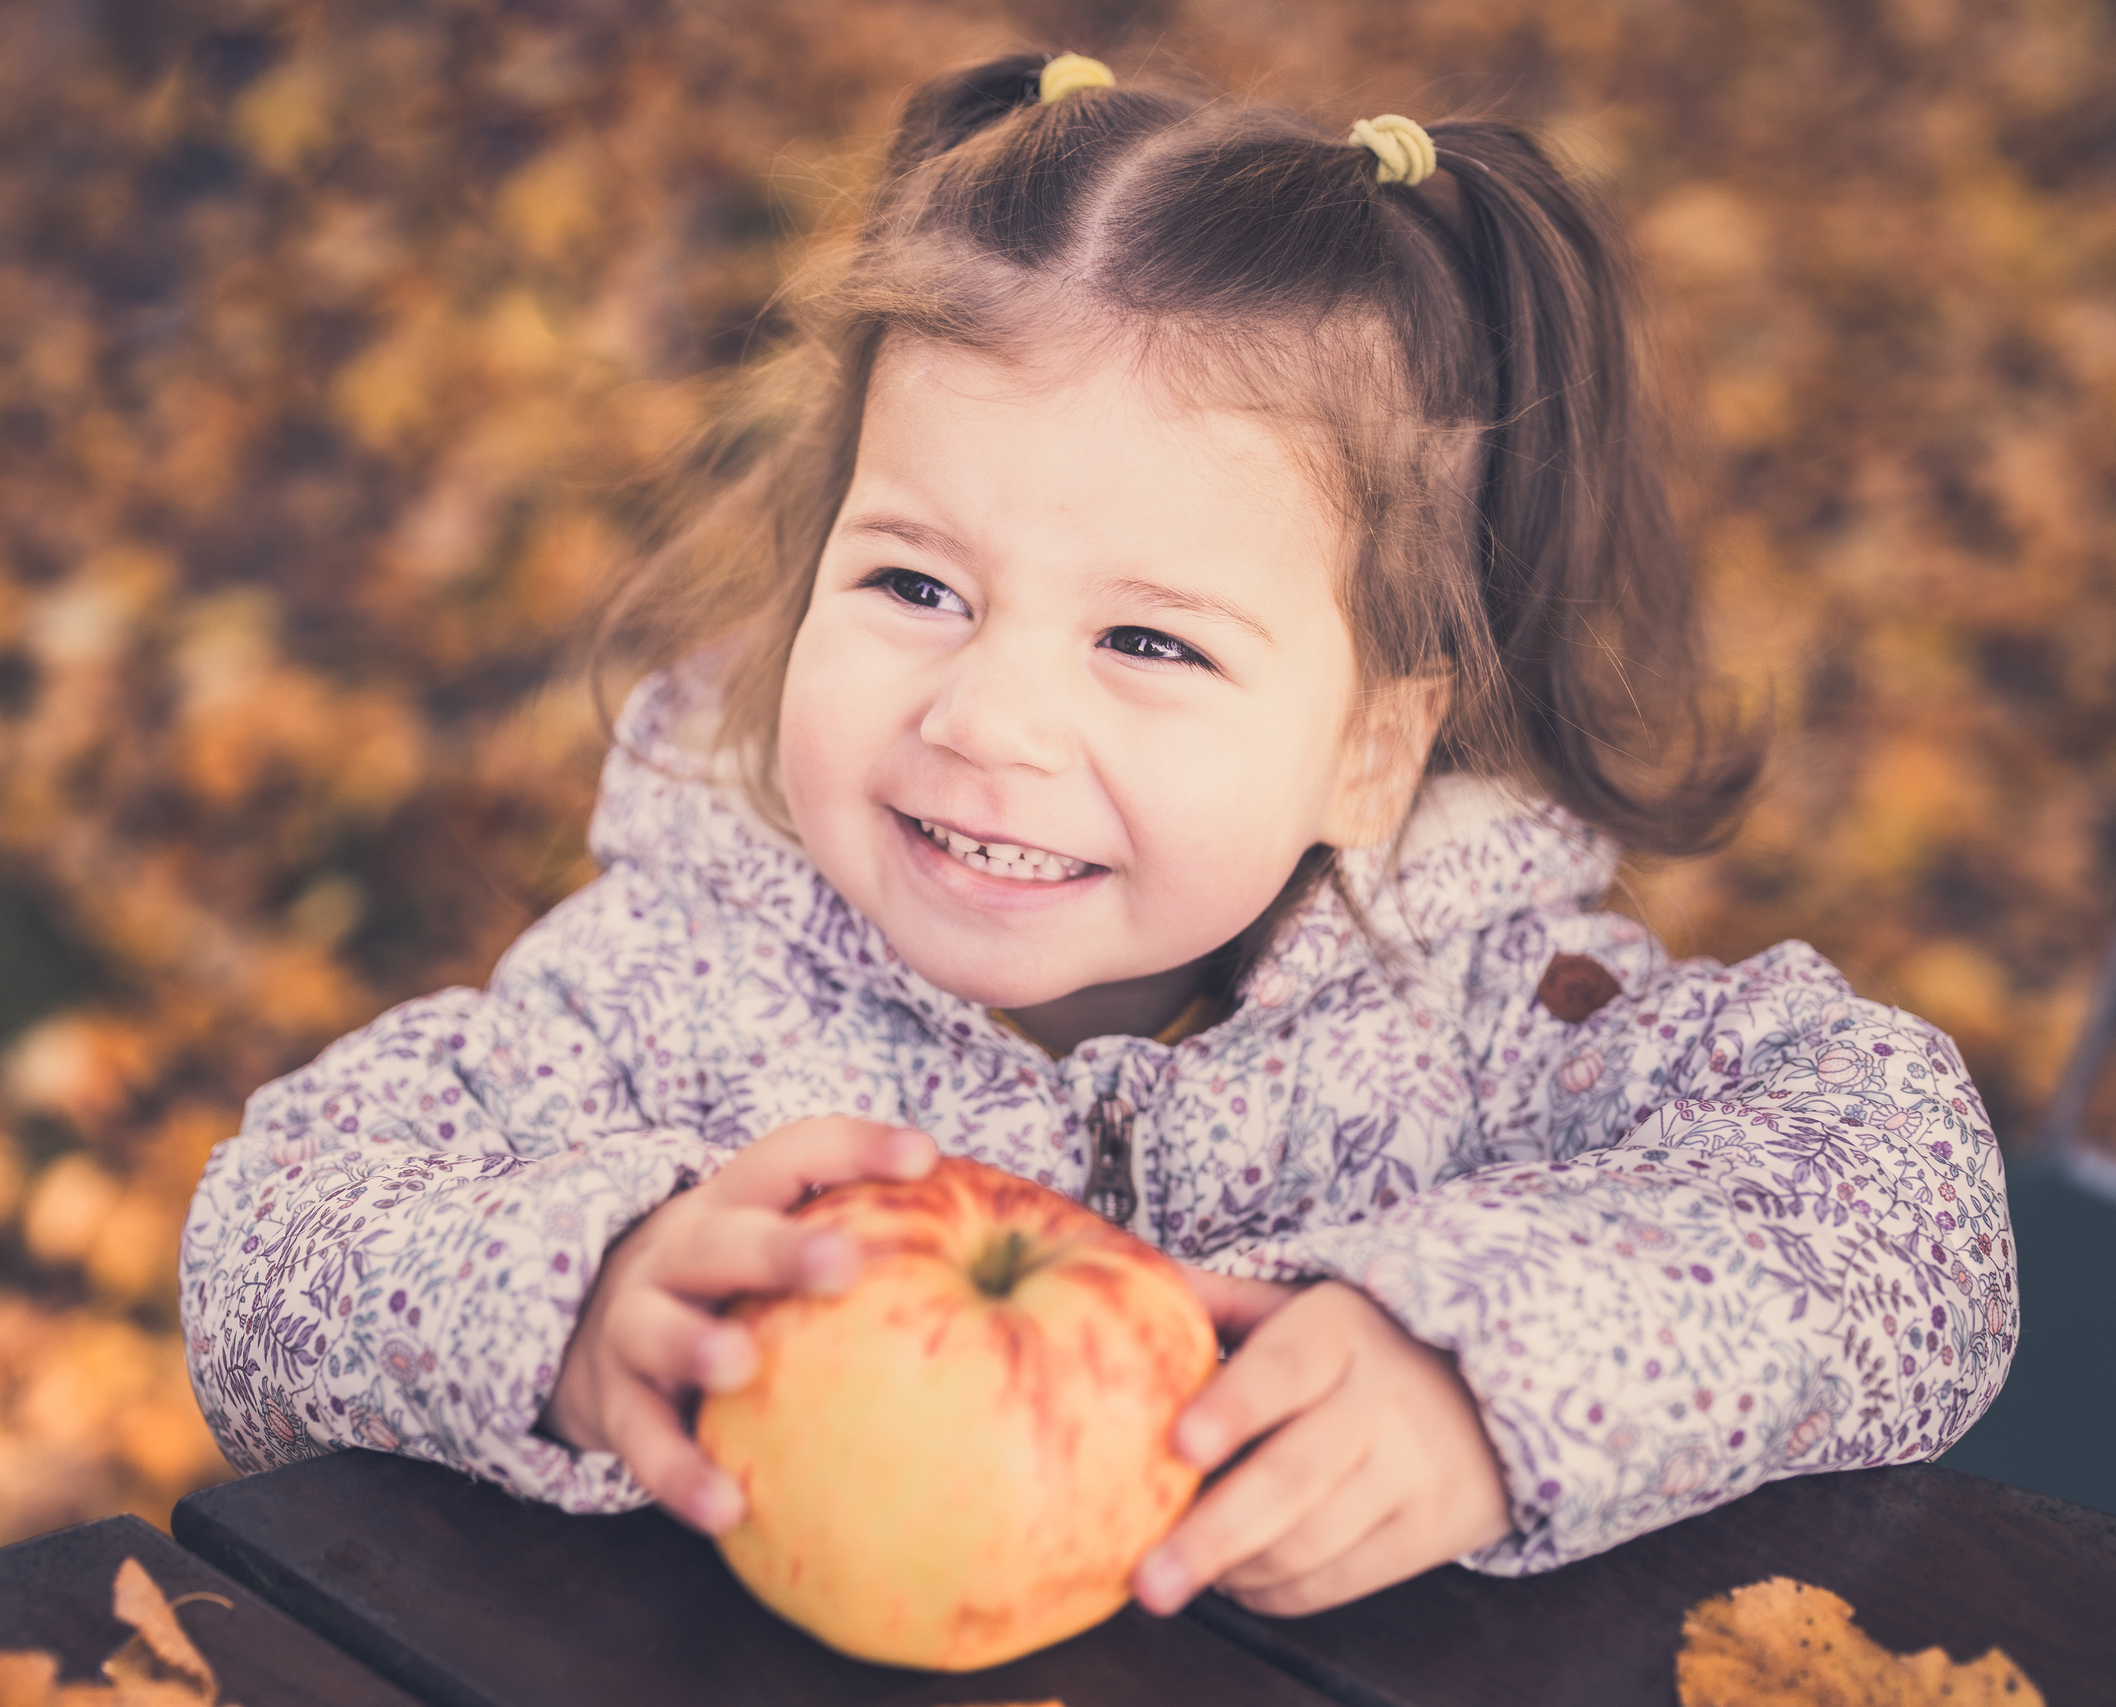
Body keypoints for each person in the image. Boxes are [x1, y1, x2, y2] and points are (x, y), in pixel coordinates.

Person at [179, 51, 2015, 1618]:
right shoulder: (661, 990)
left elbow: (1914, 1219)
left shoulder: (1489, 1018)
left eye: (1147, 641)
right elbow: (271, 1244)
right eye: (913, 582)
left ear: (1372, 743)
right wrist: (575, 1301)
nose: (985, 718)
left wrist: (1488, 1377)